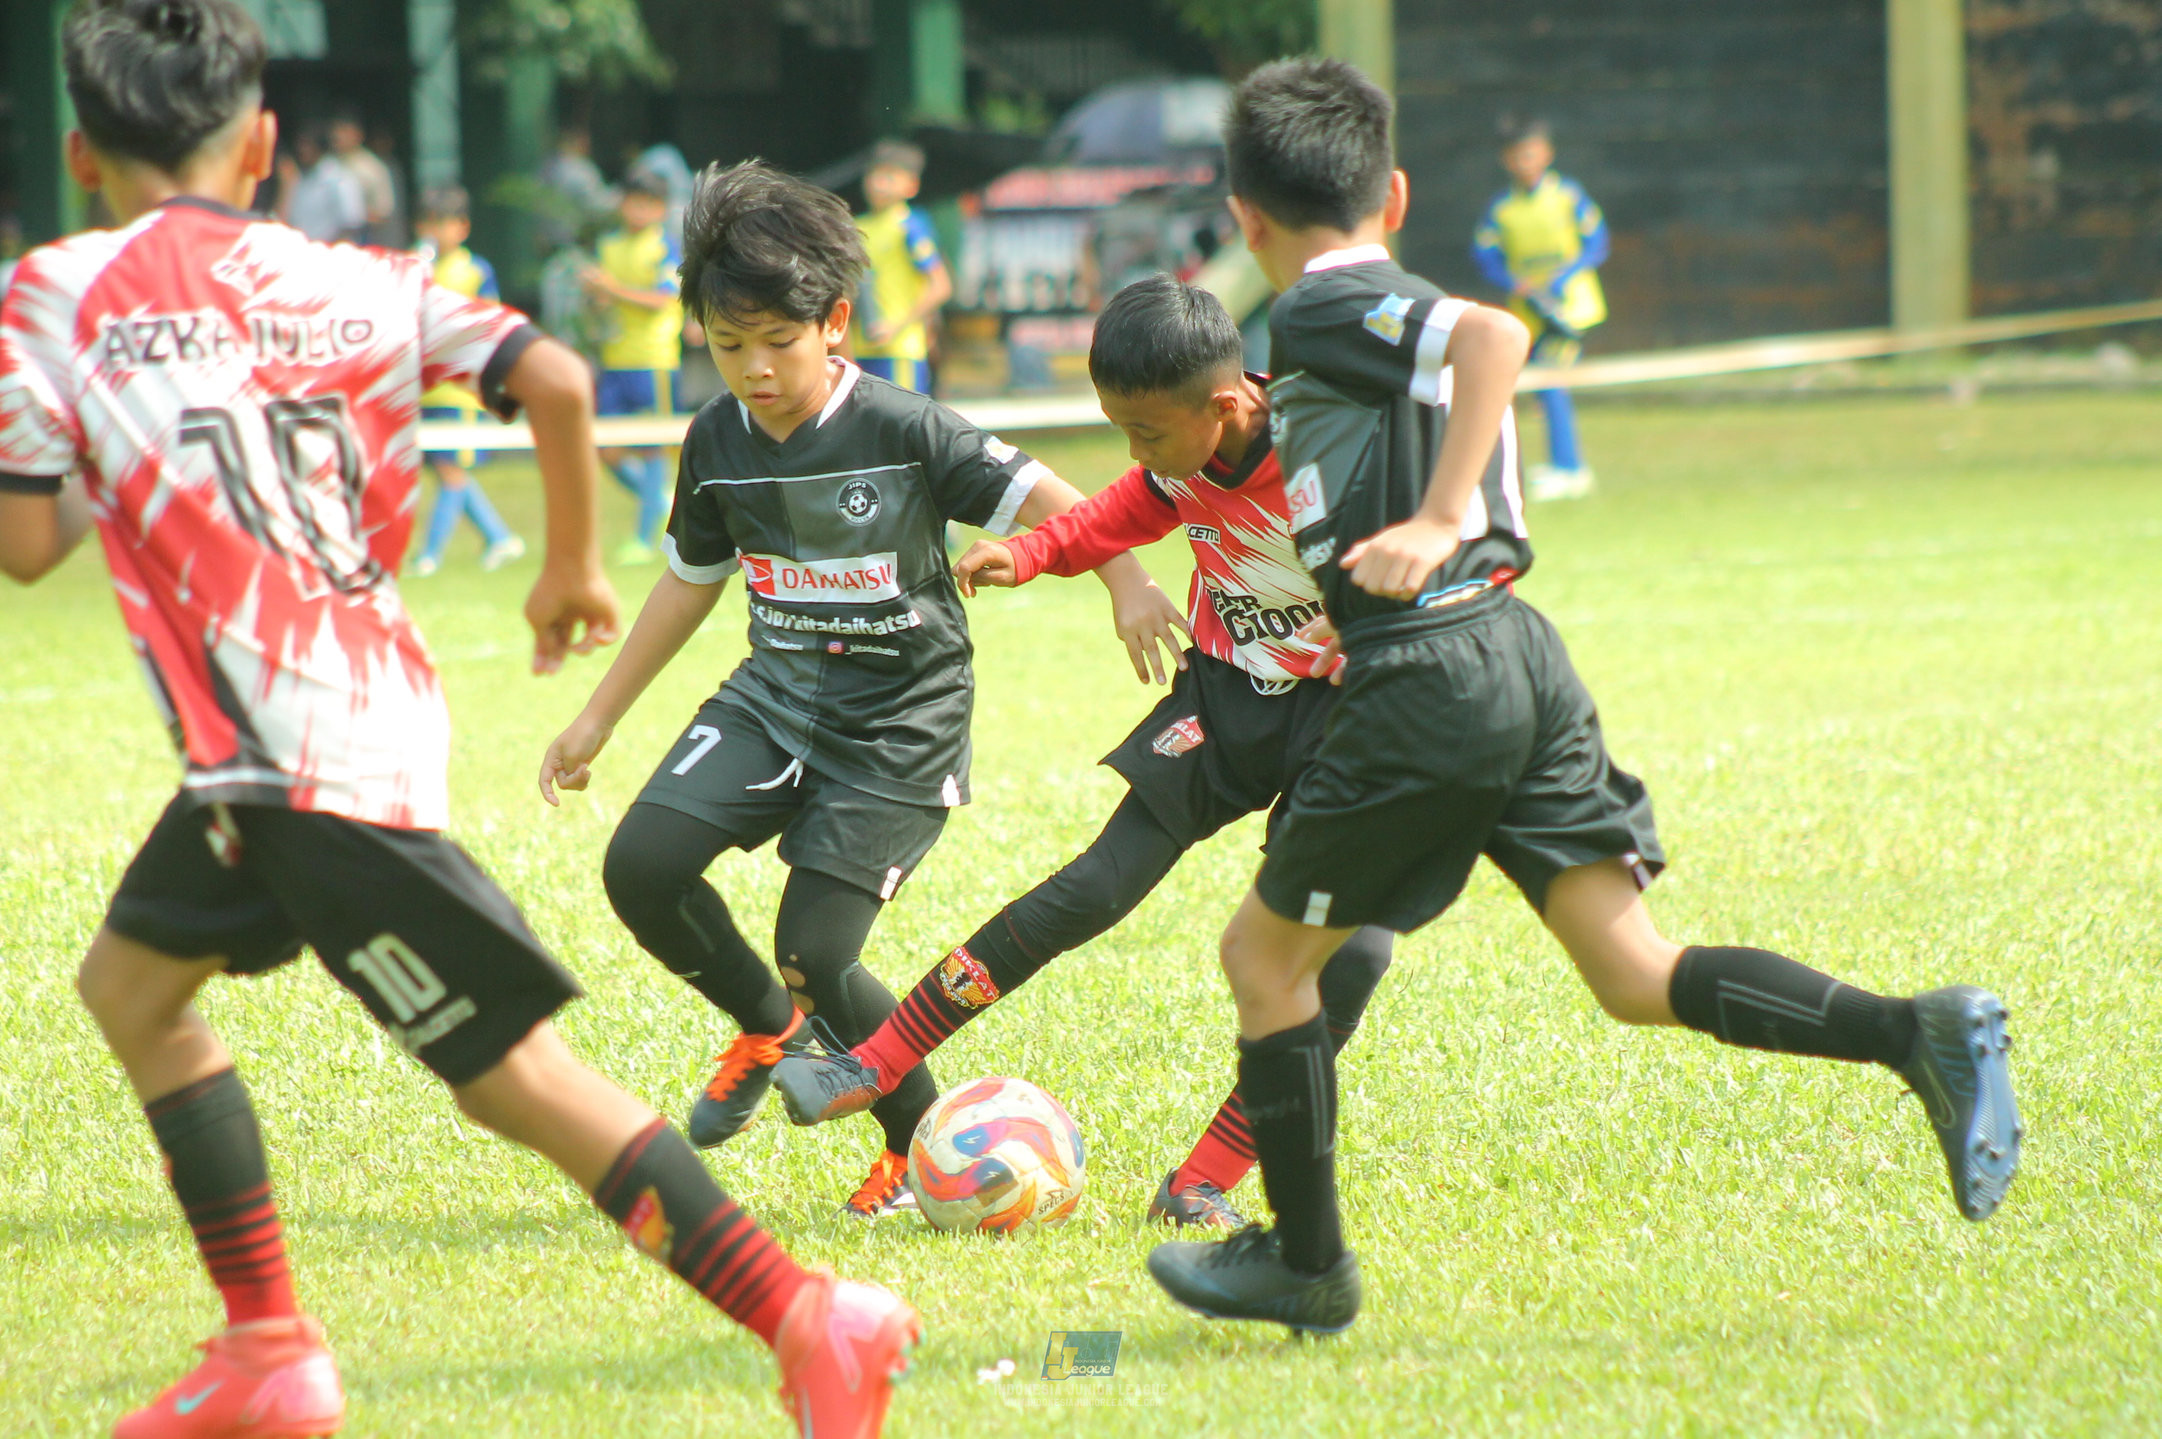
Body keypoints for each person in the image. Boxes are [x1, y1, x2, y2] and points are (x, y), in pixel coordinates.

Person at [0, 5, 918, 1437]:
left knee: (514, 1081)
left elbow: (28, 540)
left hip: (303, 761)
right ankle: (268, 1350)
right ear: (261, 146)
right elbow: (551, 374)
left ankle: (805, 1313)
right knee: (129, 987)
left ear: (77, 150)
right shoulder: (356, 275)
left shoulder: (55, 292)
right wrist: (567, 561)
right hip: (304, 738)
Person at [1143, 57, 2022, 1336]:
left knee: (1259, 959)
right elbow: (1460, 362)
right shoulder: (1375, 305)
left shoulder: (1322, 307)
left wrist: (1438, 515)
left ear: (1246, 220)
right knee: (1628, 970)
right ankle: (1917, 1033)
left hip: (1425, 670)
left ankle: (1306, 1263)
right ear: (1391, 191)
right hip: (1515, 654)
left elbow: (1496, 333)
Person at [538, 159, 1181, 1219]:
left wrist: (1125, 576)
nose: (752, 368)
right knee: (641, 867)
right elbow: (690, 581)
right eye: (726, 342)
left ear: (834, 320)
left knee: (817, 951)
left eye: (776, 342)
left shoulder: (902, 428)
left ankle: (911, 1143)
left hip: (899, 723)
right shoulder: (714, 442)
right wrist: (597, 714)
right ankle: (765, 1025)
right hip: (774, 696)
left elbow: (1042, 495)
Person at [771, 274, 1392, 1231]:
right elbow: (1124, 509)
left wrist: (1385, 636)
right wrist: (1024, 553)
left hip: (1343, 725)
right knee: (1095, 884)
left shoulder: (1332, 456)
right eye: (1122, 431)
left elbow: (1428, 550)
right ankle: (877, 1059)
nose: (1136, 454)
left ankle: (1200, 1184)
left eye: (1146, 431)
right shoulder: (1183, 453)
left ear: (1226, 405)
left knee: (1352, 951)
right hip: (1227, 701)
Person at [1473, 115, 1606, 502]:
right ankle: (1557, 463)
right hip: (1528, 313)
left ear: (1546, 154)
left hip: (1570, 311)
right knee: (1533, 386)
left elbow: (1597, 243)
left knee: (1550, 381)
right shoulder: (1500, 209)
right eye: (1516, 156)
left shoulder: (1568, 196)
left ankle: (1571, 469)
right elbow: (1486, 257)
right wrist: (1515, 283)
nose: (1524, 163)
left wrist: (1563, 279)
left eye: (1530, 154)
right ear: (1505, 160)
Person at [410, 185, 524, 576]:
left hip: (460, 388)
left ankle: (430, 554)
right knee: (443, 466)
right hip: (426, 388)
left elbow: (489, 323)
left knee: (451, 469)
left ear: (463, 227)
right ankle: (499, 537)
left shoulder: (475, 270)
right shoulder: (416, 266)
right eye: (430, 223)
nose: (436, 232)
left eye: (445, 224)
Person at [581, 168, 683, 565]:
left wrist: (612, 290)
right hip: (614, 359)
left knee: (654, 448)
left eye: (647, 204)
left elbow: (664, 300)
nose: (638, 211)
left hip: (653, 360)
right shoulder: (608, 246)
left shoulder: (665, 248)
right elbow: (601, 301)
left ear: (660, 210)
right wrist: (594, 294)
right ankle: (658, 501)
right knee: (603, 446)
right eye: (632, 202)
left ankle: (644, 539)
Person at [852, 140, 951, 395]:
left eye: (890, 176)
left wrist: (895, 326)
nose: (879, 183)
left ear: (912, 185)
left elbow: (940, 286)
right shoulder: (856, 228)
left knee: (902, 429)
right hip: (860, 350)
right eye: (874, 175)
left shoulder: (910, 226)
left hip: (900, 351)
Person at [275, 125, 361, 243]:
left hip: (327, 252)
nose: (301, 150)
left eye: (307, 145)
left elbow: (350, 223)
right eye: (300, 144)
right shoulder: (298, 177)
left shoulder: (339, 179)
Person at [329, 110, 398, 247]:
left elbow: (384, 213)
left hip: (362, 242)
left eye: (344, 130)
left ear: (357, 134)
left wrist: (356, 215)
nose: (337, 136)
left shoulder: (372, 168)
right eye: (335, 130)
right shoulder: (326, 165)